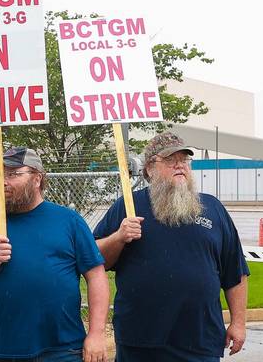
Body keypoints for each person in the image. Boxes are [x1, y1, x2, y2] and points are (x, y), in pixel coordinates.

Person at [93, 132, 250, 361]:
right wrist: (118, 237)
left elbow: (235, 272)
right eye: (170, 160)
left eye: (184, 160)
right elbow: (96, 259)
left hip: (200, 339)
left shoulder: (212, 208)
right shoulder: (128, 206)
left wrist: (238, 323)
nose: (179, 166)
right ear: (149, 168)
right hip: (141, 340)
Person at [0, 147, 110, 362]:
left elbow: (96, 275)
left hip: (64, 350)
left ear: (37, 179)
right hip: (5, 351)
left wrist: (96, 333)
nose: (2, 181)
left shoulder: (68, 221)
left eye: (12, 174)